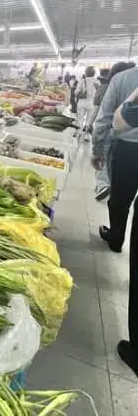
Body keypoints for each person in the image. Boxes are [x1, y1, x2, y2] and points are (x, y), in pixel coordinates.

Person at [96, 82, 138, 378]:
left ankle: (116, 236)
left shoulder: (127, 79)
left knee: (120, 198)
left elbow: (118, 120)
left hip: (130, 150)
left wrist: (97, 147)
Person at [91, 63, 136, 200]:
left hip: (124, 144)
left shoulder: (120, 79)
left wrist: (96, 149)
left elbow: (104, 117)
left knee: (120, 200)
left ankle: (104, 184)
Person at [75, 66, 99, 139]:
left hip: (82, 102)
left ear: (86, 73)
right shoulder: (97, 81)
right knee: (89, 120)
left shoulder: (82, 81)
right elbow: (98, 93)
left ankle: (79, 133)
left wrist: (81, 92)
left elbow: (76, 92)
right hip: (91, 103)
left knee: (80, 118)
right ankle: (86, 135)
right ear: (94, 73)